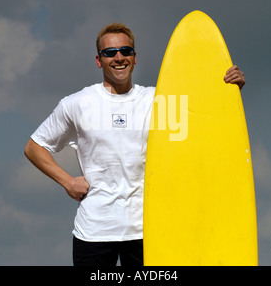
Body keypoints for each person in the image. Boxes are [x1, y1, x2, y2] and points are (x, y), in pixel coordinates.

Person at [24, 22, 245, 266]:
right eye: (110, 53)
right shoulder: (77, 104)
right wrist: (68, 181)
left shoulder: (159, 101)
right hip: (95, 229)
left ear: (135, 57)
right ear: (99, 60)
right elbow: (34, 147)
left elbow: (206, 123)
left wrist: (231, 90)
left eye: (126, 51)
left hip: (147, 230)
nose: (119, 58)